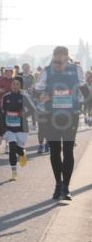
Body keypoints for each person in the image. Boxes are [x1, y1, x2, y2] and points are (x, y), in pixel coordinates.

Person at [34, 46, 89, 201]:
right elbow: (36, 91)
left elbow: (85, 91)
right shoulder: (46, 71)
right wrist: (42, 96)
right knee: (54, 151)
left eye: (62, 61)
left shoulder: (76, 70)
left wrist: (85, 103)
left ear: (67, 59)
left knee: (68, 150)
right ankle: (58, 184)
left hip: (71, 116)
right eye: (56, 61)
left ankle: (66, 186)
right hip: (51, 116)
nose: (58, 65)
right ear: (53, 59)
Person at [0, 76, 36, 181]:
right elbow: (2, 113)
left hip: (21, 128)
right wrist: (1, 129)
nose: (15, 86)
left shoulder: (24, 96)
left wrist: (24, 114)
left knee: (18, 149)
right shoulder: (6, 97)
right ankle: (14, 172)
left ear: (20, 86)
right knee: (12, 148)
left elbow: (33, 109)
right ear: (11, 85)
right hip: (10, 128)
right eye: (13, 84)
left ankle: (22, 154)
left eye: (17, 84)